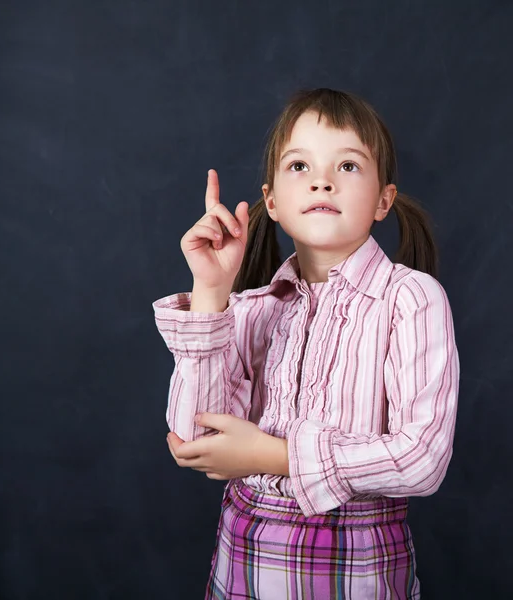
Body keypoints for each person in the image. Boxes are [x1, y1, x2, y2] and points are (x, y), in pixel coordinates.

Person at [153, 88, 460, 599]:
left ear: (383, 200)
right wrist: (210, 290)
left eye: (348, 166)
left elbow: (423, 459)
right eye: (300, 166)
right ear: (271, 202)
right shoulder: (250, 309)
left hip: (358, 571)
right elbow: (193, 439)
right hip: (244, 566)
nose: (322, 179)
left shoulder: (410, 299)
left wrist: (276, 456)